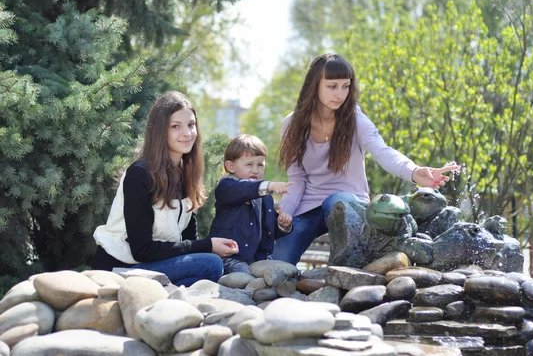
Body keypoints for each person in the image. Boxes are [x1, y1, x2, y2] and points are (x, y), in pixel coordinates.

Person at [271, 53, 460, 265]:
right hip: (309, 206)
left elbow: (383, 151)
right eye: (332, 86)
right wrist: (286, 211)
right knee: (278, 263)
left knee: (338, 203)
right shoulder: (293, 123)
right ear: (314, 85)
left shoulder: (355, 119)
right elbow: (296, 176)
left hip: (350, 204)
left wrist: (414, 172)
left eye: (345, 86)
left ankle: (344, 278)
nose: (340, 94)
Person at [90, 91, 239, 286]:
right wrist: (208, 245)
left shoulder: (186, 174)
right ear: (160, 131)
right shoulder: (140, 174)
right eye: (176, 126)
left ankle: (162, 297)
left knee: (209, 271)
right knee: (210, 264)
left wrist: (210, 246)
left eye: (191, 125)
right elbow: (142, 250)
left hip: (153, 265)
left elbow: (187, 239)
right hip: (120, 268)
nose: (187, 133)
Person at [209, 134, 293, 275]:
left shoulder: (265, 198)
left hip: (257, 258)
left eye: (260, 165)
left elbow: (269, 230)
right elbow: (245, 189)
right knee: (246, 276)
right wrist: (270, 185)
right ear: (230, 166)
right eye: (249, 164)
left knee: (282, 274)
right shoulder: (227, 187)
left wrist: (282, 224)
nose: (255, 170)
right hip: (229, 257)